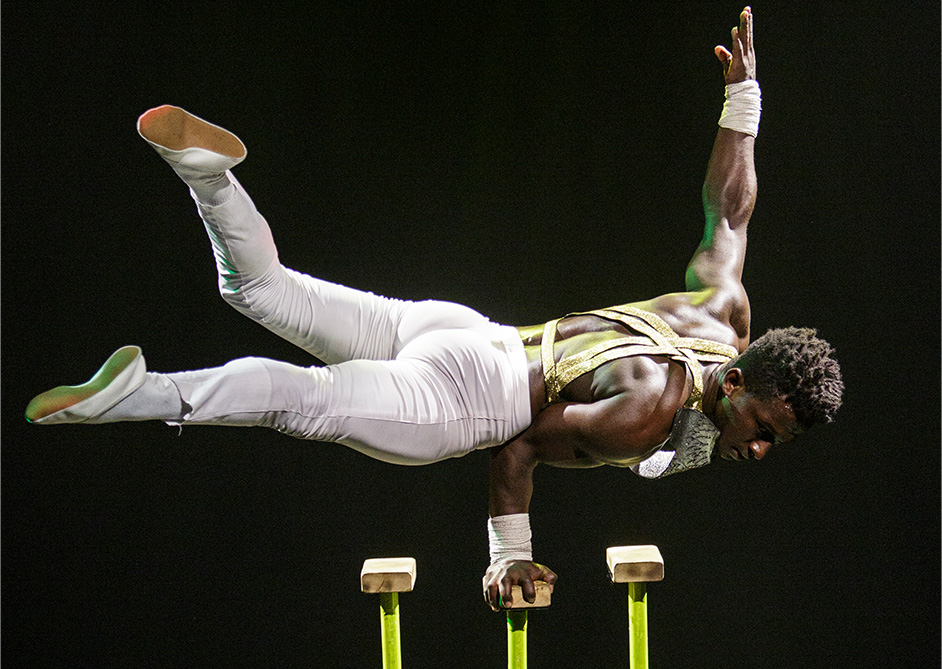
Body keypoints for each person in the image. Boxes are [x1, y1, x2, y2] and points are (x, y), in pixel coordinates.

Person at [25, 7, 842, 612]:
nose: (763, 449)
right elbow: (518, 450)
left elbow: (730, 212)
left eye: (780, 442)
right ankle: (133, 396)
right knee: (299, 398)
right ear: (735, 381)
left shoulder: (724, 311)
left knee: (260, 288)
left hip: (463, 330)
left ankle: (204, 170)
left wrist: (744, 101)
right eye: (765, 427)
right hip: (466, 400)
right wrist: (507, 559)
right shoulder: (645, 411)